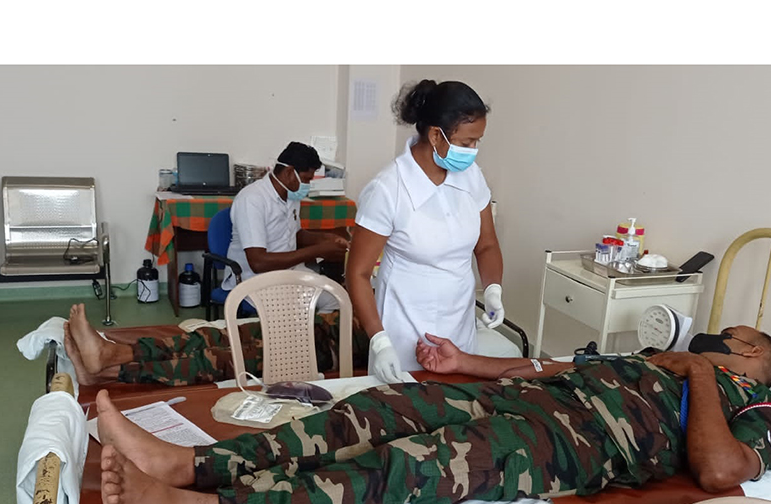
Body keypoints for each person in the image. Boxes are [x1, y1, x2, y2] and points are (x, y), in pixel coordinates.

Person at [95, 324, 771, 504]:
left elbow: (720, 471)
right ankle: (196, 463)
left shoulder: (756, 401)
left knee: (410, 465)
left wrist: (699, 375)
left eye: (732, 335)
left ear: (751, 358)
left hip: (572, 445)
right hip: (534, 399)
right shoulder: (661, 361)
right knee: (372, 409)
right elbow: (551, 362)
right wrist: (466, 363)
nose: (717, 332)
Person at [346, 80, 505, 384]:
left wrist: (493, 288)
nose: (474, 152)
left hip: (459, 321)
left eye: (477, 142)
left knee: (457, 407)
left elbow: (486, 245)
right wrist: (379, 341)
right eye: (467, 143)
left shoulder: (471, 177)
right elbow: (358, 273)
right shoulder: (387, 189)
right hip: (403, 327)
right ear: (435, 135)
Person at [62, 303, 370, 386]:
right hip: (333, 324)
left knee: (227, 359)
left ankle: (110, 371)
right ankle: (112, 354)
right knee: (217, 336)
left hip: (347, 347)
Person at [224, 141, 349, 312]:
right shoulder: (252, 199)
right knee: (298, 314)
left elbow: (295, 234)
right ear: (290, 172)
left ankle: (312, 338)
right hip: (256, 279)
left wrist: (325, 238)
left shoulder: (291, 196)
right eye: (306, 179)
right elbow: (258, 262)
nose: (307, 185)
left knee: (338, 301)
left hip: (290, 272)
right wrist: (318, 250)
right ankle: (296, 337)